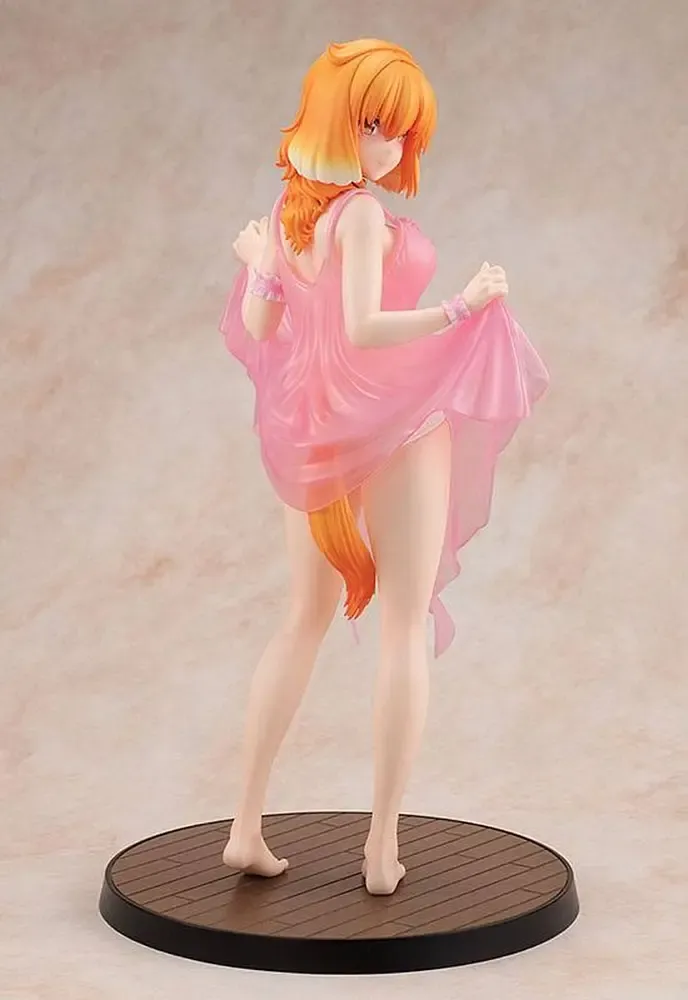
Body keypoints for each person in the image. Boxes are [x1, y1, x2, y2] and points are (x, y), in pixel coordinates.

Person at [219, 38, 550, 895]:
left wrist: (261, 266)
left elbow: (261, 329)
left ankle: (245, 827)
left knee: (302, 618)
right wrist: (461, 307)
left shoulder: (290, 211)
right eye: (376, 126)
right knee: (402, 623)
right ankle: (379, 847)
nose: (390, 147)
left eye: (402, 132)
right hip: (390, 420)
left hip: (315, 431)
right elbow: (364, 329)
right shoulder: (359, 214)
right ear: (338, 119)